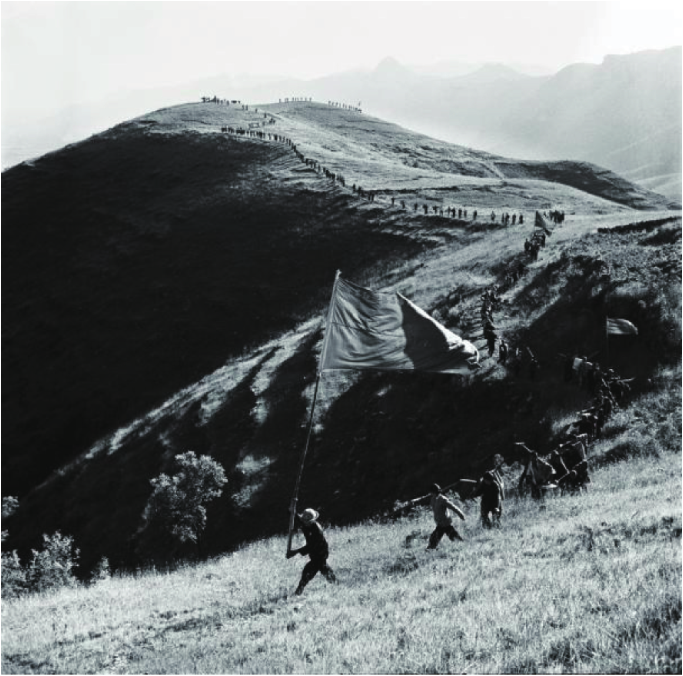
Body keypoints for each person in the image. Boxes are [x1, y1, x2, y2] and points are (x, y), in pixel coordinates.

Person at [287, 507, 336, 595]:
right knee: (324, 568)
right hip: (314, 554)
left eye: (307, 521)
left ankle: (298, 592)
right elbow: (298, 518)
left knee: (308, 571)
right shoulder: (305, 522)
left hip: (320, 552)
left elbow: (311, 546)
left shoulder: (317, 530)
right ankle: (336, 584)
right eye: (304, 520)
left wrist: (294, 552)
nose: (304, 523)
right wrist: (291, 511)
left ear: (311, 520)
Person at [427, 484, 466, 549]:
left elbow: (453, 507)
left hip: (445, 522)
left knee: (434, 537)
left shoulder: (443, 499)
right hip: (440, 523)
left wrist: (460, 514)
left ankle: (430, 548)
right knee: (452, 535)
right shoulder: (433, 499)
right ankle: (462, 544)